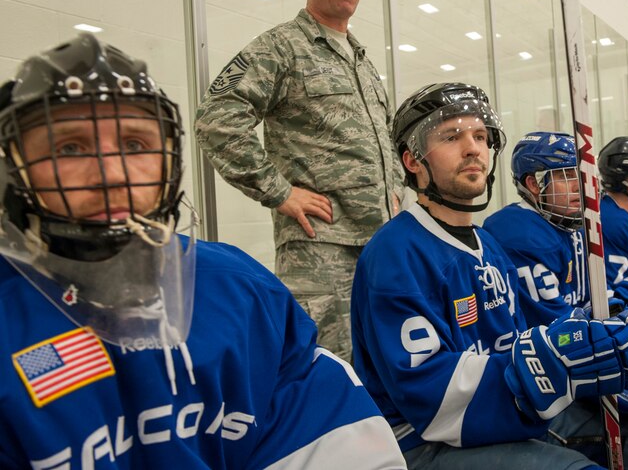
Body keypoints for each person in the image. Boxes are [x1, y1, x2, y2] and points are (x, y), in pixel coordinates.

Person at [0, 34, 406, 468]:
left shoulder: (240, 292)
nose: (112, 173)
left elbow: (332, 439)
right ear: (14, 166)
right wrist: (279, 191)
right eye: (70, 148)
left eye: (135, 145)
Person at [352, 84, 628, 470]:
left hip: (496, 412)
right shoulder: (395, 254)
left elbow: (517, 341)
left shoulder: (487, 245)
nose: (473, 148)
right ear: (413, 161)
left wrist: (598, 354)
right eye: (451, 136)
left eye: (480, 136)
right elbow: (430, 396)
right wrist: (551, 369)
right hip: (423, 442)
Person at [194, 0, 403, 360]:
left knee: (386, 365)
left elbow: (385, 137)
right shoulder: (282, 47)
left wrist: (396, 194)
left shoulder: (361, 59)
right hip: (321, 252)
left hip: (381, 246)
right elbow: (216, 119)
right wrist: (279, 192)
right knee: (333, 370)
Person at [482, 131, 628, 469]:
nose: (581, 188)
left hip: (572, 360)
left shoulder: (574, 227)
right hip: (538, 380)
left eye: (582, 177)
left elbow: (590, 302)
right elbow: (556, 327)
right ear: (533, 185)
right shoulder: (518, 232)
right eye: (567, 177)